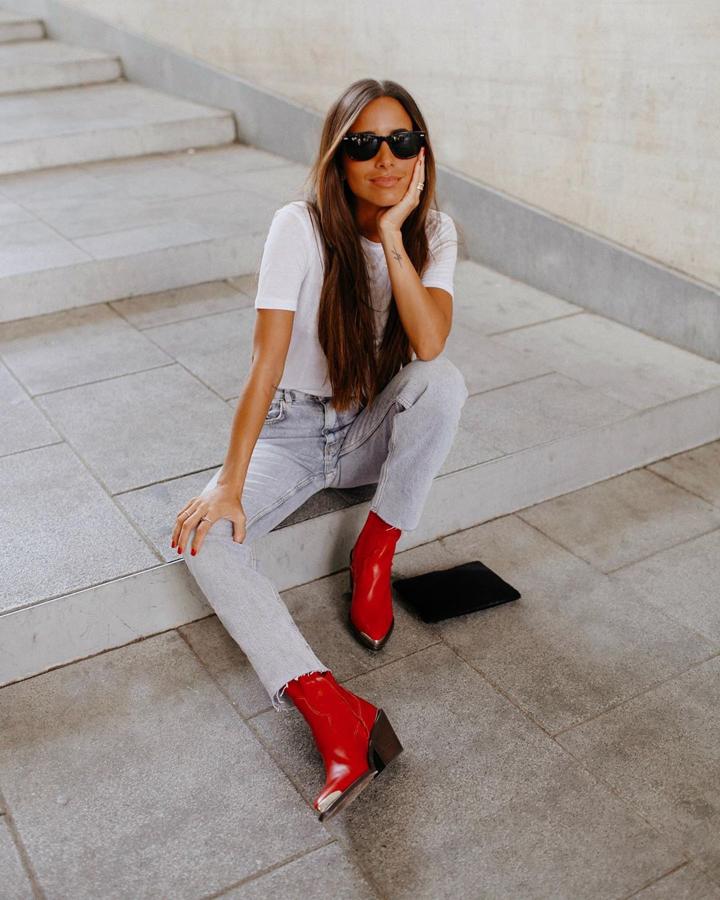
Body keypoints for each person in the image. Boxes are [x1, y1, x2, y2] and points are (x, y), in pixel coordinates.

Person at [171, 78, 469, 821]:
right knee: (200, 540)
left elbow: (428, 342)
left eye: (402, 142)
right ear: (339, 157)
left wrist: (397, 236)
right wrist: (230, 484)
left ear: (421, 151)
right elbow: (265, 363)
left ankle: (374, 551)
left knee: (444, 382)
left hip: (371, 428)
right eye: (364, 144)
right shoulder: (296, 227)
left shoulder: (435, 232)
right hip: (295, 432)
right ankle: (330, 707)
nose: (385, 160)